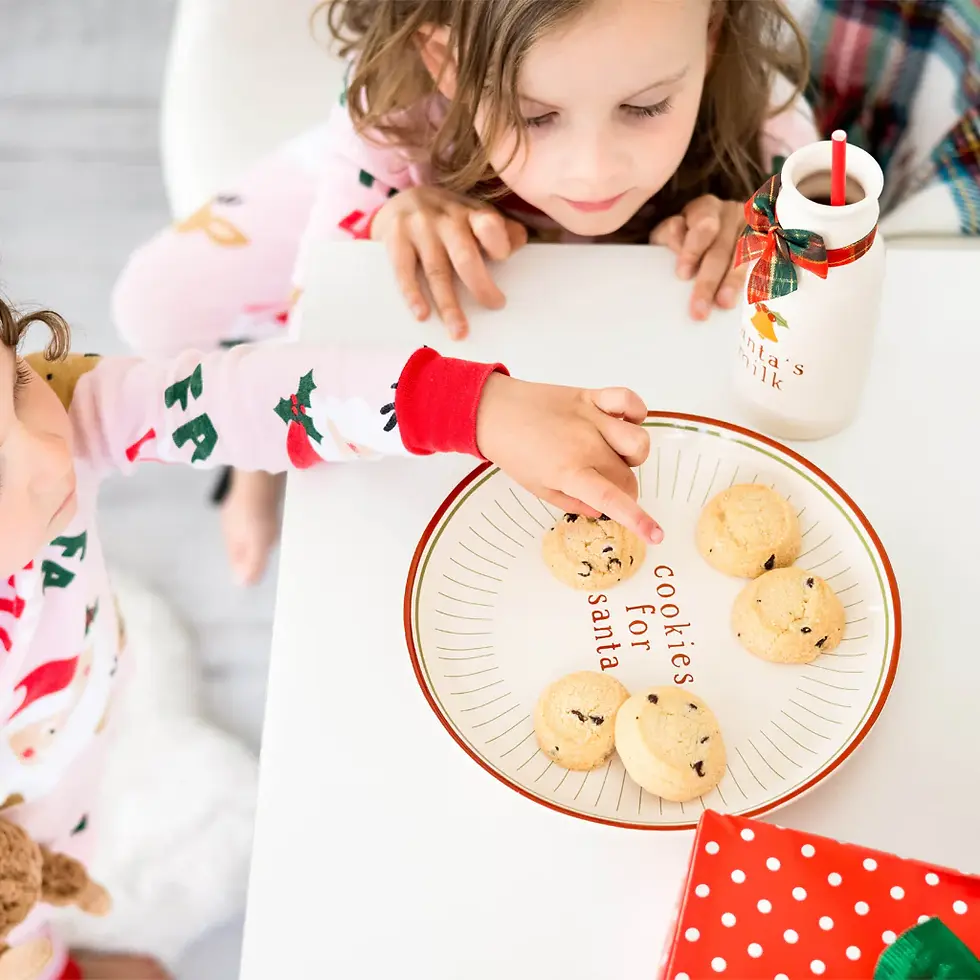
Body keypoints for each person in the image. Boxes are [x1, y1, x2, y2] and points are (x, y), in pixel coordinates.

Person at [0, 292, 656, 977]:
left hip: (65, 732)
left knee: (56, 859)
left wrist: (476, 409)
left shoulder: (59, 406)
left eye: (16, 384)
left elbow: (238, 397)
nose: (50, 455)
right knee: (22, 921)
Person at [113, 0, 818, 586]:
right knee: (152, 305)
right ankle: (251, 466)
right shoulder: (393, 113)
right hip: (397, 161)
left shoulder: (762, 103)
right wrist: (390, 214)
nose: (593, 169)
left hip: (588, 320)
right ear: (445, 61)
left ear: (710, 32)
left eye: (645, 106)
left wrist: (759, 230)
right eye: (536, 116)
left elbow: (825, 266)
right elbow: (319, 332)